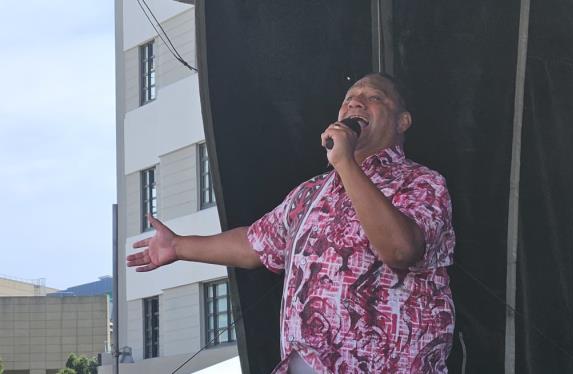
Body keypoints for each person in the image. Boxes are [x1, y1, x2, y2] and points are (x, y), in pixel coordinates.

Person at [127, 73, 455, 373]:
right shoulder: (311, 193)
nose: (355, 101)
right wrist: (179, 246)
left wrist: (346, 163)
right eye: (349, 97)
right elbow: (254, 244)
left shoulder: (421, 182)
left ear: (403, 121)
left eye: (374, 97)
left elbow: (400, 249)